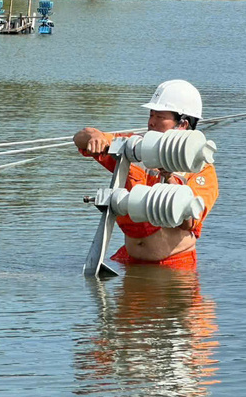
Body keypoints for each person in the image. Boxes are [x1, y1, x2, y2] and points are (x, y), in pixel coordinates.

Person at [74, 80, 219, 268]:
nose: (151, 122)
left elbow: (189, 222)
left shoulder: (202, 169)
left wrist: (169, 178)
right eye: (151, 114)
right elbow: (80, 138)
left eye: (160, 117)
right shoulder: (133, 148)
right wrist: (95, 137)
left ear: (182, 124)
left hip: (175, 265)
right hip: (132, 261)